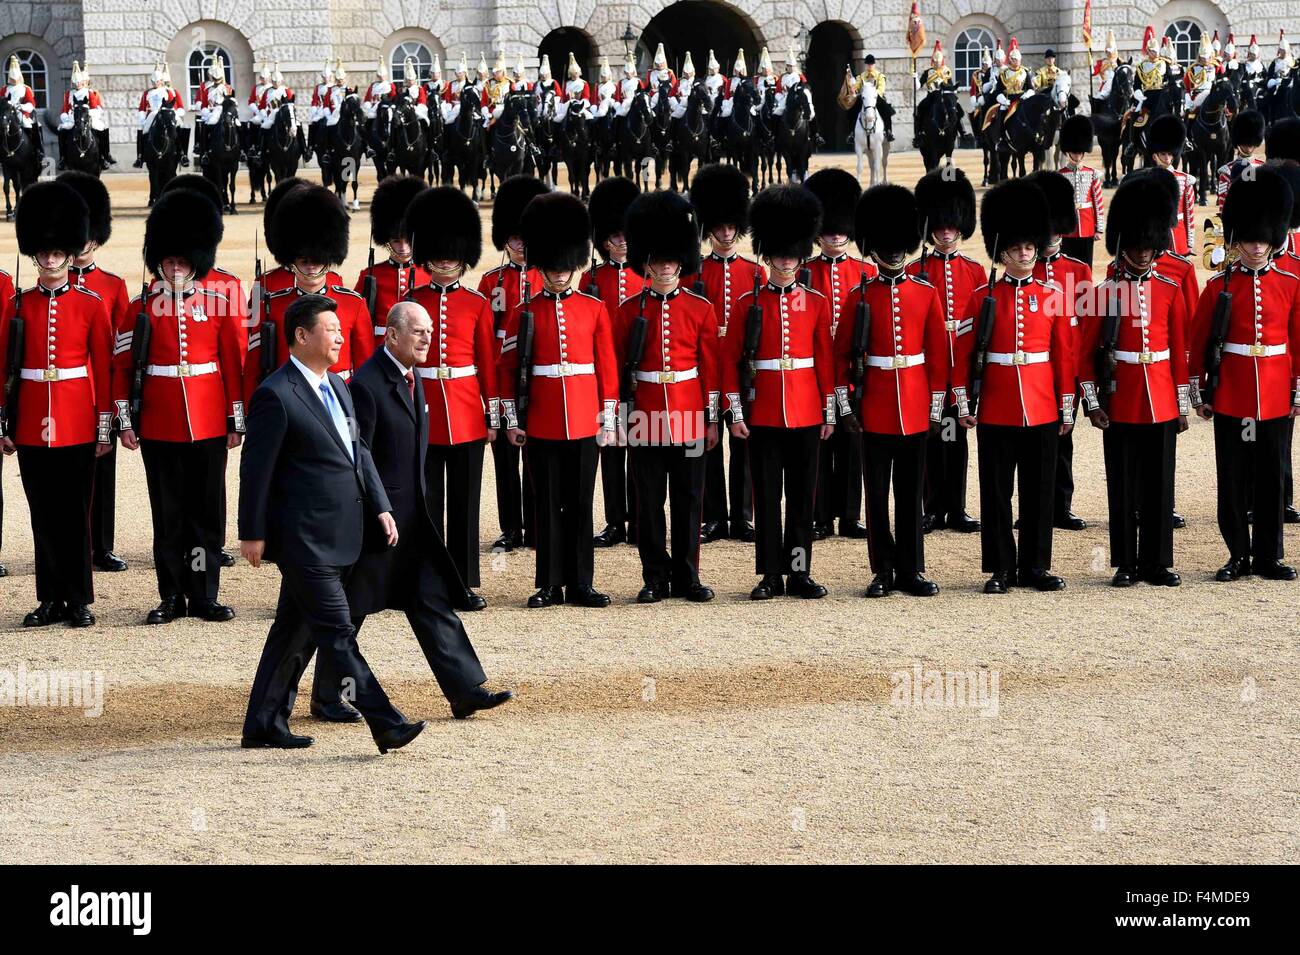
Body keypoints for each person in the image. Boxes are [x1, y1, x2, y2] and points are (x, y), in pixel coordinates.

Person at [306, 300, 513, 723]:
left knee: (430, 600)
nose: (428, 338)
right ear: (393, 335)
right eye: (418, 331)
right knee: (354, 607)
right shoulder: (365, 383)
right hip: (377, 521)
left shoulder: (411, 375)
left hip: (411, 517)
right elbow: (357, 454)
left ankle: (465, 690)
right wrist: (378, 509)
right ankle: (327, 696)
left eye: (430, 331)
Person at [238, 294, 426, 753]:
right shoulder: (275, 394)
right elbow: (255, 469)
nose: (341, 336)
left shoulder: (339, 386)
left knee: (293, 633)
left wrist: (380, 505)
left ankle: (263, 723)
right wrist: (252, 532)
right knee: (338, 635)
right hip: (303, 540)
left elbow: (358, 450)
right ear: (302, 336)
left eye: (341, 330)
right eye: (332, 330)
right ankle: (386, 722)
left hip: (344, 532)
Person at [115, 188, 244, 625]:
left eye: (182, 262)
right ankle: (171, 595)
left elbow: (233, 365)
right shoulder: (139, 307)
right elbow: (122, 369)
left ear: (196, 261)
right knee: (168, 513)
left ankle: (203, 593)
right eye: (168, 261)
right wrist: (125, 421)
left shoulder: (219, 304)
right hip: (159, 422)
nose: (174, 268)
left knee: (206, 514)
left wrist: (235, 419)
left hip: (207, 421)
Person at [952, 178, 1076, 594]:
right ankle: (1001, 566)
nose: (1024, 254)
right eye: (1016, 247)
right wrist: (964, 401)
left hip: (1041, 404)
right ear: (1001, 250)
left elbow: (1064, 355)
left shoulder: (1053, 293)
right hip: (996, 405)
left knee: (1039, 491)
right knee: (997, 490)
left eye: (1029, 247)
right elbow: (965, 355)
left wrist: (1066, 404)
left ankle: (1035, 566)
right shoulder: (981, 296)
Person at [498, 192, 619, 609]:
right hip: (542, 421)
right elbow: (507, 371)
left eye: (565, 266)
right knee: (546, 505)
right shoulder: (522, 310)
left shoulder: (594, 308)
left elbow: (606, 368)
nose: (559, 274)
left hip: (585, 420)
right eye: (551, 267)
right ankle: (550, 582)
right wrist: (513, 420)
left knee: (582, 504)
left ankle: (581, 583)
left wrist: (610, 419)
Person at [0, 180, 112, 627]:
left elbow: (102, 367)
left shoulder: (91, 304)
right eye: (43, 253)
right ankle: (49, 597)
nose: (49, 259)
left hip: (76, 421)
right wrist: (4, 421)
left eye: (56, 252)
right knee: (41, 514)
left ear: (69, 254)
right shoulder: (18, 305)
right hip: (30, 422)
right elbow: (5, 369)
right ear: (35, 254)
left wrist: (105, 424)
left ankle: (78, 598)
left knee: (75, 514)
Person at [722, 184, 834, 601]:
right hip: (763, 413)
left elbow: (824, 362)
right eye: (780, 255)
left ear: (801, 255)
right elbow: (730, 363)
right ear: (768, 256)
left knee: (802, 500)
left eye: (792, 255)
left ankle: (799, 573)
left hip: (805, 412)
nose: (786, 261)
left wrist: (827, 412)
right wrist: (736, 413)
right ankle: (771, 573)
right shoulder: (746, 303)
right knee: (767, 499)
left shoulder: (818, 302)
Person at [1189, 166, 1300, 582]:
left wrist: (1297, 390)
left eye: (1262, 240)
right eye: (1249, 240)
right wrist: (1198, 392)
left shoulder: (1291, 282)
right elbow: (1199, 342)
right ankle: (1238, 553)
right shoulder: (1219, 287)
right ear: (1236, 241)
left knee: (1272, 479)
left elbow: (1298, 342)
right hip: (1234, 393)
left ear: (1273, 239)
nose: (1256, 247)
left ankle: (1269, 555)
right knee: (1233, 479)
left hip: (1272, 394)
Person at [835, 184, 947, 598]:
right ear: (873, 247)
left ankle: (912, 569)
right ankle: (882, 568)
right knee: (877, 494)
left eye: (900, 244)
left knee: (911, 493)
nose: (895, 252)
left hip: (915, 405)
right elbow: (839, 356)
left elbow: (937, 357)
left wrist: (936, 409)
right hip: (875, 405)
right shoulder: (857, 296)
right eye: (887, 245)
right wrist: (846, 406)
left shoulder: (925, 293)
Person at [1079, 174, 1189, 588]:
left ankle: (1157, 561)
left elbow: (1178, 351)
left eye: (1149, 246)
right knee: (1122, 483)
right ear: (1123, 246)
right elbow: (1085, 354)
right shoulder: (1103, 291)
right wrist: (1093, 402)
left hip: (1159, 395)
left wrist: (1181, 402)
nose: (1143, 254)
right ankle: (1125, 561)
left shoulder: (1169, 288)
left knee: (1160, 484)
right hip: (1120, 397)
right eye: (1136, 246)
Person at [616, 189, 719, 604]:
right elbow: (621, 369)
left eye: (671, 260)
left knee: (690, 499)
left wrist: (712, 419)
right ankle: (655, 575)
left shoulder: (700, 308)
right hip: (646, 415)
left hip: (690, 414)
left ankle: (687, 575)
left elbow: (710, 369)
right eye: (657, 261)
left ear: (682, 262)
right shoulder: (627, 310)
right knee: (649, 501)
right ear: (647, 262)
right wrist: (621, 417)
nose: (664, 267)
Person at [405, 186, 499, 610]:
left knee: (464, 505)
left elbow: (488, 364)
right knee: (426, 504)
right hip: (421, 413)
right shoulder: (411, 303)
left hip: (464, 412)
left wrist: (495, 414)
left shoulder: (477, 304)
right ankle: (425, 581)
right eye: (438, 255)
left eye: (451, 255)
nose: (444, 262)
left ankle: (462, 582)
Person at [685, 163, 762, 543]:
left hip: (743, 366)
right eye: (720, 227)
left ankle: (742, 515)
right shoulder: (693, 272)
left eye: (732, 227)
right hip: (706, 367)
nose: (727, 233)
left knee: (744, 439)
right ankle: (714, 515)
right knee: (709, 441)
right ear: (710, 227)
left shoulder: (754, 272)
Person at [59, 171, 130, 573]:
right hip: (67, 394)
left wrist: (119, 405)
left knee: (103, 474)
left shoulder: (113, 285)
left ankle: (101, 545)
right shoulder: (55, 284)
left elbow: (120, 351)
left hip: (99, 393)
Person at [245, 184, 373, 403]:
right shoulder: (272, 304)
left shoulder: (353, 304)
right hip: (289, 402)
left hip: (339, 400)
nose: (311, 267)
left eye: (317, 260)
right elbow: (254, 366)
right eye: (304, 261)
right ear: (292, 259)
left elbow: (364, 367)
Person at [909, 166, 985, 534]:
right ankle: (932, 506)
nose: (945, 231)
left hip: (962, 369)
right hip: (926, 371)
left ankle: (956, 507)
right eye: (939, 225)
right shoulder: (914, 271)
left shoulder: (975, 272)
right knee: (930, 439)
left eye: (951, 225)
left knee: (957, 438)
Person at [802, 168, 875, 540]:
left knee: (852, 443)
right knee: (818, 442)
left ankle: (849, 514)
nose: (834, 235)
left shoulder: (867, 272)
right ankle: (820, 515)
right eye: (828, 230)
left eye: (840, 228)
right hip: (815, 369)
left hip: (851, 369)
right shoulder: (803, 273)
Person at [478, 174, 548, 551]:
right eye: (514, 239)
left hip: (537, 382)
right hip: (504, 380)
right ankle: (511, 527)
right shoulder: (492, 282)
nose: (520, 245)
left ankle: (537, 525)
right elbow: (486, 338)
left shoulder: (547, 277)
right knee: (505, 462)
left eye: (525, 238)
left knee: (536, 461)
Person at [1026, 169, 1090, 531]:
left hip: (1066, 368)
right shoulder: (1025, 267)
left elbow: (1085, 324)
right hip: (1033, 369)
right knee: (1030, 441)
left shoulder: (1076, 270)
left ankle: (1060, 504)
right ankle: (1033, 506)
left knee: (1063, 439)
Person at [581, 176, 644, 548]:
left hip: (637, 373)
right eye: (614, 238)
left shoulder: (644, 275)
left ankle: (637, 518)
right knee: (609, 450)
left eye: (624, 237)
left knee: (639, 448)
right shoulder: (593, 278)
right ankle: (614, 520)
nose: (620, 243)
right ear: (604, 241)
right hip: (605, 377)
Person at [353, 175, 431, 346]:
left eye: (407, 240)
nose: (403, 247)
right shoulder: (371, 275)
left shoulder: (429, 274)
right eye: (396, 241)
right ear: (386, 240)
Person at [1057, 115, 1105, 267]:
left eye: (1079, 152)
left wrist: (1099, 228)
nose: (1077, 155)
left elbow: (1098, 202)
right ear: (1068, 152)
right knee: (1068, 266)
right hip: (1067, 229)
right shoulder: (1060, 175)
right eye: (1074, 152)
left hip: (1087, 227)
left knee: (1086, 266)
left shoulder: (1092, 174)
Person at [1146, 115, 1196, 257]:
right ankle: (1132, 144)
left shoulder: (1185, 179)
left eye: (1170, 154)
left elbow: (1189, 212)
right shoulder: (1145, 179)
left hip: (1178, 237)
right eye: (1163, 154)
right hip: (1154, 238)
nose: (1167, 158)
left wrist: (1189, 242)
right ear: (1155, 155)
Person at [58, 61, 115, 170]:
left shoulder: (89, 93)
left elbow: (95, 107)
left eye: (79, 82)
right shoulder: (68, 94)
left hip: (87, 117)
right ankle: (63, 158)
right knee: (62, 130)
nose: (77, 84)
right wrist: (66, 117)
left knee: (102, 128)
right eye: (75, 82)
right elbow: (64, 109)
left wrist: (89, 114)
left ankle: (104, 155)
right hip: (72, 118)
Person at [134, 62, 187, 168]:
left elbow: (173, 104)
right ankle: (140, 156)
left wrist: (173, 113)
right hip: (153, 113)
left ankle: (181, 153)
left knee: (179, 127)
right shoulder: (147, 93)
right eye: (153, 81)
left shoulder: (168, 91)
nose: (155, 83)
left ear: (161, 81)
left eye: (157, 81)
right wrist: (142, 117)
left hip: (166, 113)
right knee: (144, 129)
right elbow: (142, 107)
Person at [1215, 110, 1266, 210]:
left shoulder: (1264, 167)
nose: (1248, 148)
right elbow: (1223, 205)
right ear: (1238, 143)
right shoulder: (1226, 171)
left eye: (1251, 144)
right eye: (1245, 144)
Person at [194, 54, 235, 168]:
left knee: (237, 124)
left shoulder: (227, 87)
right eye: (214, 78)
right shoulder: (207, 88)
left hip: (224, 110)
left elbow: (231, 100)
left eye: (218, 79)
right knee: (209, 123)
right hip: (211, 111)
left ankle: (240, 150)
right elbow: (203, 102)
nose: (216, 80)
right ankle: (205, 150)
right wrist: (207, 109)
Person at [914, 41, 955, 148]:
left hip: (944, 96)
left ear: (941, 61)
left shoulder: (946, 71)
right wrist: (915, 78)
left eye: (938, 61)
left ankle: (962, 131)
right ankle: (918, 134)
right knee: (920, 109)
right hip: (931, 96)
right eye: (935, 61)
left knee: (956, 109)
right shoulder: (928, 72)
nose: (937, 63)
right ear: (933, 61)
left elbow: (950, 85)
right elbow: (918, 86)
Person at [5, 56, 44, 163]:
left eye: (15, 78)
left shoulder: (25, 89)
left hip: (21, 114)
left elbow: (32, 103)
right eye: (12, 78)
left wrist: (21, 106)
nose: (13, 80)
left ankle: (38, 150)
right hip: (7, 114)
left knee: (33, 126)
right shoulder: (5, 89)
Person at [852, 55, 894, 141]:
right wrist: (853, 88)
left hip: (876, 97)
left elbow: (881, 89)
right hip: (865, 99)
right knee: (853, 110)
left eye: (871, 64)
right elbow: (857, 86)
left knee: (886, 111)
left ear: (874, 64)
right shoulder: (861, 76)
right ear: (866, 65)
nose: (870, 66)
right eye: (868, 64)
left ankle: (888, 131)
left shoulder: (880, 76)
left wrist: (873, 94)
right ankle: (852, 133)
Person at [1133, 26, 1166, 114]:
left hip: (1161, 94)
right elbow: (1136, 84)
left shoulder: (1164, 64)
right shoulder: (1141, 66)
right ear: (1148, 52)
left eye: (1155, 51)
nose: (1154, 54)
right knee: (1137, 118)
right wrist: (1139, 94)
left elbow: (1168, 79)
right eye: (1152, 51)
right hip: (1147, 95)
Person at [1184, 34, 1216, 114]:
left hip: (1212, 95)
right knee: (1190, 116)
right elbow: (1187, 86)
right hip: (1197, 95)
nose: (1205, 60)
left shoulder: (1217, 67)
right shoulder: (1192, 69)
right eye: (1203, 58)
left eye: (1207, 57)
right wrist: (1188, 100)